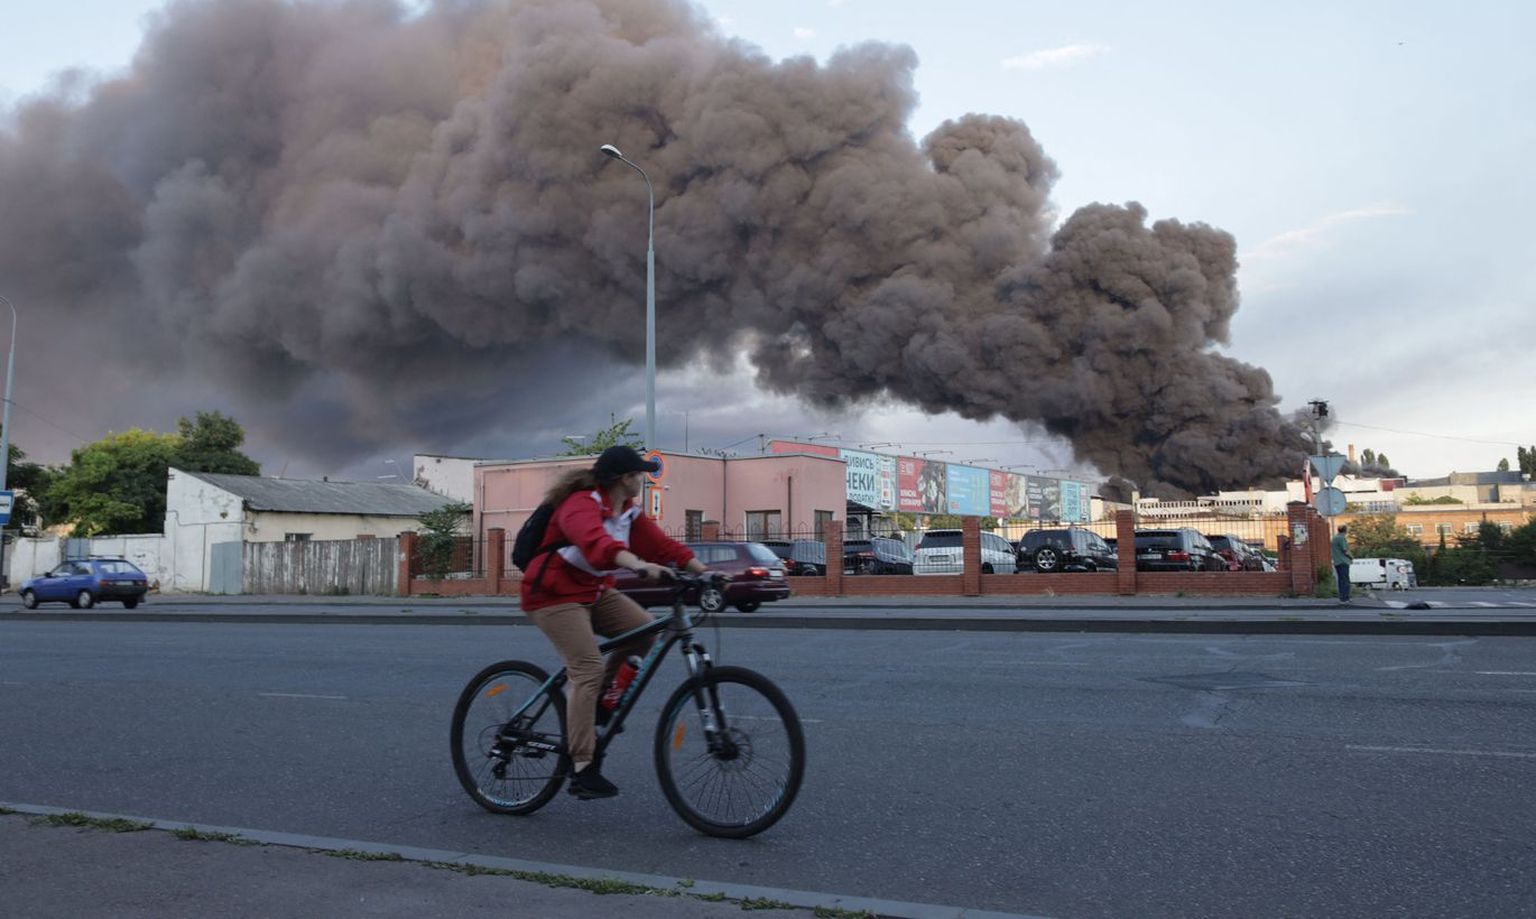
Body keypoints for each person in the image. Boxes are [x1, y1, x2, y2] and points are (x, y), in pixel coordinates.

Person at [520, 445, 708, 800]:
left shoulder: (628, 513)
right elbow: (596, 544)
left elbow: (665, 546)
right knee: (587, 670)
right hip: (553, 593)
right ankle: (582, 766)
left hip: (593, 590)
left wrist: (707, 574)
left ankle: (601, 703)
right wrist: (637, 564)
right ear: (626, 478)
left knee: (644, 631)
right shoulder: (580, 503)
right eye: (641, 473)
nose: (645, 478)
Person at [1332, 524, 1353, 603]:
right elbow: (1345, 550)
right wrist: (1351, 557)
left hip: (1337, 561)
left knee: (1341, 580)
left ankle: (1342, 597)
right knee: (1345, 580)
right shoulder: (1341, 538)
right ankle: (1345, 598)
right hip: (1343, 561)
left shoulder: (1335, 538)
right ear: (1345, 530)